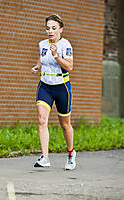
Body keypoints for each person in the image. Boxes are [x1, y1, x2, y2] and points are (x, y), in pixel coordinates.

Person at [31, 14, 76, 170]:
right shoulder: (42, 43)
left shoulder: (65, 45)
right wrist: (37, 66)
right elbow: (42, 56)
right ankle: (45, 157)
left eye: (54, 28)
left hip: (61, 87)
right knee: (42, 120)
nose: (50, 31)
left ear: (60, 29)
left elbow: (69, 67)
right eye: (48, 28)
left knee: (65, 125)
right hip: (45, 86)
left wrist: (56, 55)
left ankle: (70, 154)